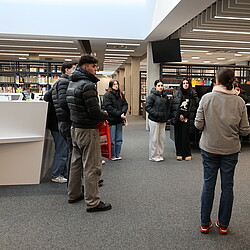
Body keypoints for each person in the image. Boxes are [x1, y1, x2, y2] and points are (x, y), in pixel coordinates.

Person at [195, 68, 250, 234]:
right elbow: (245, 130)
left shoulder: (207, 98)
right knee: (228, 186)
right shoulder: (239, 102)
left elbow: (198, 124)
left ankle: (205, 223)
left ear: (217, 81)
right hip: (230, 150)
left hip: (209, 148)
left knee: (208, 184)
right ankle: (224, 225)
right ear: (232, 82)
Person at [66, 55, 111, 212]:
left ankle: (74, 194)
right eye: (93, 66)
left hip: (75, 128)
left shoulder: (72, 82)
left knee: (76, 163)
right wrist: (105, 114)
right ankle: (93, 202)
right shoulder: (88, 85)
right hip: (87, 129)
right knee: (91, 165)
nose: (95, 69)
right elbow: (94, 112)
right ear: (85, 67)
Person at [170, 78, 199, 161]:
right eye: (184, 83)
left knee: (186, 137)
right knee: (178, 136)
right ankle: (179, 153)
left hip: (188, 118)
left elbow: (194, 107)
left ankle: (187, 153)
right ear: (181, 85)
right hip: (178, 118)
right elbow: (174, 106)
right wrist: (179, 115)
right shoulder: (177, 94)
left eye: (187, 83)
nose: (185, 85)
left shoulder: (193, 94)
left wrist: (186, 115)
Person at [44, 88, 68, 183]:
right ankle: (56, 174)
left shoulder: (52, 93)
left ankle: (62, 172)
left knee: (63, 150)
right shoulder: (60, 94)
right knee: (62, 150)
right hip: (58, 125)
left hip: (55, 125)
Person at [145, 80, 170, 162]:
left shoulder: (165, 96)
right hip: (154, 120)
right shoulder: (152, 96)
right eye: (159, 85)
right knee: (154, 138)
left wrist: (167, 115)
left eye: (162, 85)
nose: (160, 87)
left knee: (161, 139)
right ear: (155, 87)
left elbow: (168, 107)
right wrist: (156, 114)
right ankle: (153, 156)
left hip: (163, 120)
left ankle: (160, 154)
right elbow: (147, 107)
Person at [103, 80, 128, 161]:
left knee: (119, 138)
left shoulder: (121, 94)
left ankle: (117, 154)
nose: (116, 86)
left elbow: (125, 104)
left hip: (119, 120)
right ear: (111, 85)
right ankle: (112, 155)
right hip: (112, 120)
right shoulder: (107, 95)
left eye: (117, 84)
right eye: (114, 84)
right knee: (112, 139)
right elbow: (109, 108)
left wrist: (123, 112)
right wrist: (119, 114)